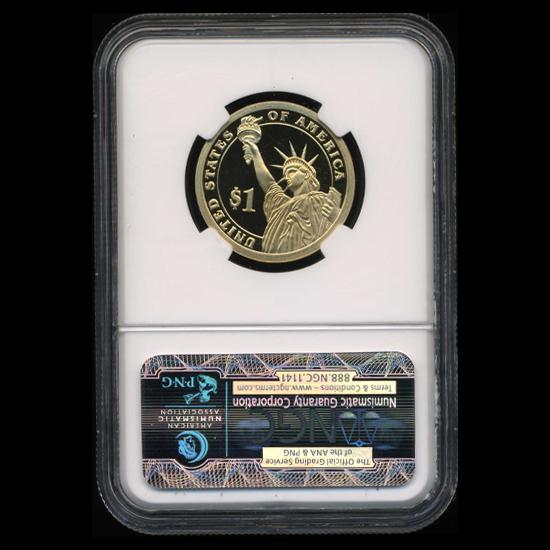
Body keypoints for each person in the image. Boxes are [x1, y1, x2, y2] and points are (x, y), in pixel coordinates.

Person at [242, 139, 341, 254]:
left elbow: (335, 238)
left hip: (307, 259)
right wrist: (256, 154)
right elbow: (268, 183)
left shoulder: (319, 200)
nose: (286, 177)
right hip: (277, 258)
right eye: (285, 174)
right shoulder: (283, 204)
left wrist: (336, 216)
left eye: (291, 171)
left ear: (306, 174)